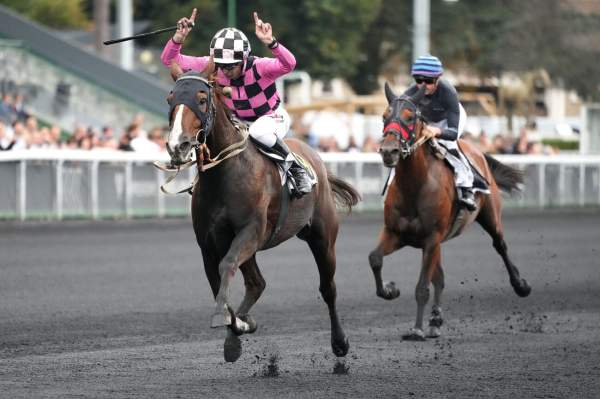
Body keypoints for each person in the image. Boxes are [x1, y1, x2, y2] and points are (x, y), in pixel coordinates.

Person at [160, 9, 312, 198]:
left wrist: (272, 43)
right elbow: (169, 60)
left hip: (271, 117)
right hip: (237, 121)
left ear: (244, 59)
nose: (225, 71)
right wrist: (178, 38)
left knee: (259, 132)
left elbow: (289, 64)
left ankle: (297, 170)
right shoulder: (212, 65)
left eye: (231, 66)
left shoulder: (260, 67)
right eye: (221, 65)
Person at [402, 55, 477, 211]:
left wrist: (437, 131)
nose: (423, 86)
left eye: (428, 81)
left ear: (437, 79)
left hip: (448, 122)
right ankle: (390, 186)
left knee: (448, 145)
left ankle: (466, 187)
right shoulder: (409, 93)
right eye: (418, 80)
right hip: (427, 119)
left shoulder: (448, 92)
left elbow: (453, 133)